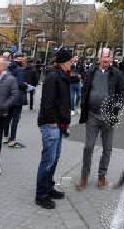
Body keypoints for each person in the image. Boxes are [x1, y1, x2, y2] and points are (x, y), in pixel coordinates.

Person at [76, 48, 124, 190]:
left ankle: (101, 176)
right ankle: (84, 177)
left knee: (107, 149)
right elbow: (85, 89)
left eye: (108, 58)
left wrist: (116, 109)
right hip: (92, 115)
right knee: (88, 147)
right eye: (104, 58)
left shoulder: (116, 74)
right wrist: (83, 105)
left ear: (111, 59)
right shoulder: (91, 72)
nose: (106, 60)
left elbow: (122, 93)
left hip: (108, 116)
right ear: (99, 59)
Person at [35, 48, 72, 209]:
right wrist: (51, 122)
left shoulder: (62, 76)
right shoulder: (53, 77)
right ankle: (41, 195)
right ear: (64, 63)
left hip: (58, 123)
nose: (72, 64)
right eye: (70, 61)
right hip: (51, 124)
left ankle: (49, 188)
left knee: (54, 159)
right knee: (48, 161)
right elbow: (47, 102)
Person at [0, 57, 18, 175]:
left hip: (1, 114)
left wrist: (4, 105)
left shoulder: (10, 79)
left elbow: (15, 95)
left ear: (4, 66)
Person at [3, 52, 27, 148]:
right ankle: (12, 140)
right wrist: (26, 85)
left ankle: (5, 137)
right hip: (17, 97)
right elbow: (20, 84)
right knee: (15, 119)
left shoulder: (8, 68)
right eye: (23, 58)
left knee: (7, 118)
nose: (24, 60)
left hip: (8, 96)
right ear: (19, 59)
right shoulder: (20, 69)